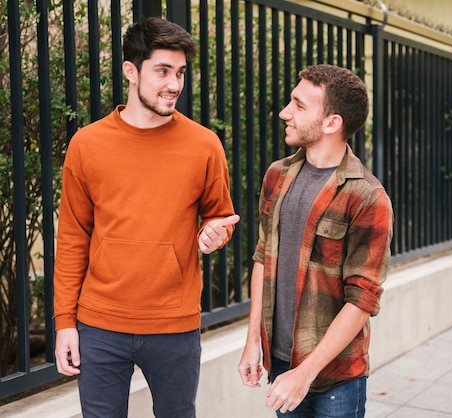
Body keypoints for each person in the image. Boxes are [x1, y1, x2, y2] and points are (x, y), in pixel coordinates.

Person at [53, 17, 239, 417]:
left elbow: (220, 217)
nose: (174, 84)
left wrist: (214, 234)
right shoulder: (87, 144)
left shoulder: (205, 146)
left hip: (174, 327)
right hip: (99, 325)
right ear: (131, 71)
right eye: (163, 71)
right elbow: (72, 237)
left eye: (180, 73)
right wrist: (65, 322)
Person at [238, 64, 394, 417]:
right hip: (281, 364)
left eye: (299, 105)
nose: (285, 113)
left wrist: (304, 375)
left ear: (331, 123)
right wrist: (252, 343)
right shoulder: (277, 175)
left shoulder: (367, 196)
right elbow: (264, 259)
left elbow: (362, 300)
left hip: (337, 379)